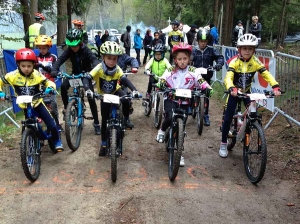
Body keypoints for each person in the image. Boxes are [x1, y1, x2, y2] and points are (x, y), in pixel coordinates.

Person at [219, 34, 281, 158]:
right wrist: (231, 87)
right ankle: (223, 143)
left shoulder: (255, 61)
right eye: (244, 48)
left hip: (247, 92)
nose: (247, 51)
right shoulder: (234, 62)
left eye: (250, 48)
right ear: (239, 49)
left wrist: (275, 86)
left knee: (254, 114)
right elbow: (228, 77)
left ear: (254, 50)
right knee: (227, 118)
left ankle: (257, 139)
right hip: (234, 93)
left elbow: (266, 74)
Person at [155, 43, 213, 167]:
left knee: (182, 128)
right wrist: (161, 83)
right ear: (175, 59)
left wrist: (207, 87)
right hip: (171, 99)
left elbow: (201, 80)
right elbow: (163, 78)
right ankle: (162, 130)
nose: (182, 62)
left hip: (186, 102)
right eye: (179, 59)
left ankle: (179, 153)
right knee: (169, 116)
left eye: (185, 59)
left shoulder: (193, 71)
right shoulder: (171, 70)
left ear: (189, 59)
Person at [82, 41, 140, 156]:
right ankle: (103, 144)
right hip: (104, 95)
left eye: (115, 58)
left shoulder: (117, 69)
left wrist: (134, 90)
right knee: (104, 120)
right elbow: (87, 78)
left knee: (125, 99)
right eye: (109, 58)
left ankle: (126, 119)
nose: (112, 61)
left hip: (115, 90)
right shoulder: (99, 67)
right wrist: (88, 89)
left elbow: (124, 80)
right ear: (103, 57)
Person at [0, 48, 64, 151]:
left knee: (51, 124)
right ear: (18, 65)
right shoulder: (12, 76)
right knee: (30, 125)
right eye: (23, 66)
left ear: (33, 65)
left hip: (37, 103)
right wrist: (1, 92)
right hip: (25, 105)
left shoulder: (36, 75)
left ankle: (57, 141)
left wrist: (50, 88)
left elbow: (49, 82)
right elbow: (0, 82)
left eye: (29, 66)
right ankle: (32, 140)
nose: (26, 69)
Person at [51, 28, 101, 135]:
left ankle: (96, 123)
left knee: (91, 97)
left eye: (75, 45)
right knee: (64, 87)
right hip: (74, 75)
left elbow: (94, 59)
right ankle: (66, 109)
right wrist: (54, 69)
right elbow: (60, 60)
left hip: (86, 75)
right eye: (71, 46)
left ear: (80, 42)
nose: (73, 48)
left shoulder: (86, 50)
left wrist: (95, 68)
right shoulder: (69, 50)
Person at [191, 28, 224, 126]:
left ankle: (205, 114)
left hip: (207, 77)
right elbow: (188, 59)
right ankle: (190, 105)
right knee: (191, 92)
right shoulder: (194, 50)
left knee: (206, 96)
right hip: (195, 77)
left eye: (205, 41)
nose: (203, 43)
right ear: (198, 41)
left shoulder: (211, 50)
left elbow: (220, 57)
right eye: (201, 41)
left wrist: (218, 64)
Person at [34, 35, 62, 130]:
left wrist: (42, 65)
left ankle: (57, 124)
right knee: (38, 106)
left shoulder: (53, 57)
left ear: (48, 47)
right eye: (40, 48)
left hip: (50, 83)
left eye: (44, 48)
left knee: (52, 104)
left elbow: (54, 70)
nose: (42, 50)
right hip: (39, 85)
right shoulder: (36, 58)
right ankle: (39, 127)